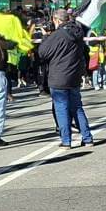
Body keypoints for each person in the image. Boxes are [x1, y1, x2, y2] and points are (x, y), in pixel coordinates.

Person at [37, 10, 94, 149]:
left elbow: (42, 53)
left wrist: (45, 38)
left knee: (61, 109)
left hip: (59, 76)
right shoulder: (78, 32)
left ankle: (66, 141)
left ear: (57, 20)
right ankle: (87, 138)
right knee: (77, 108)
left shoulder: (57, 35)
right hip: (74, 75)